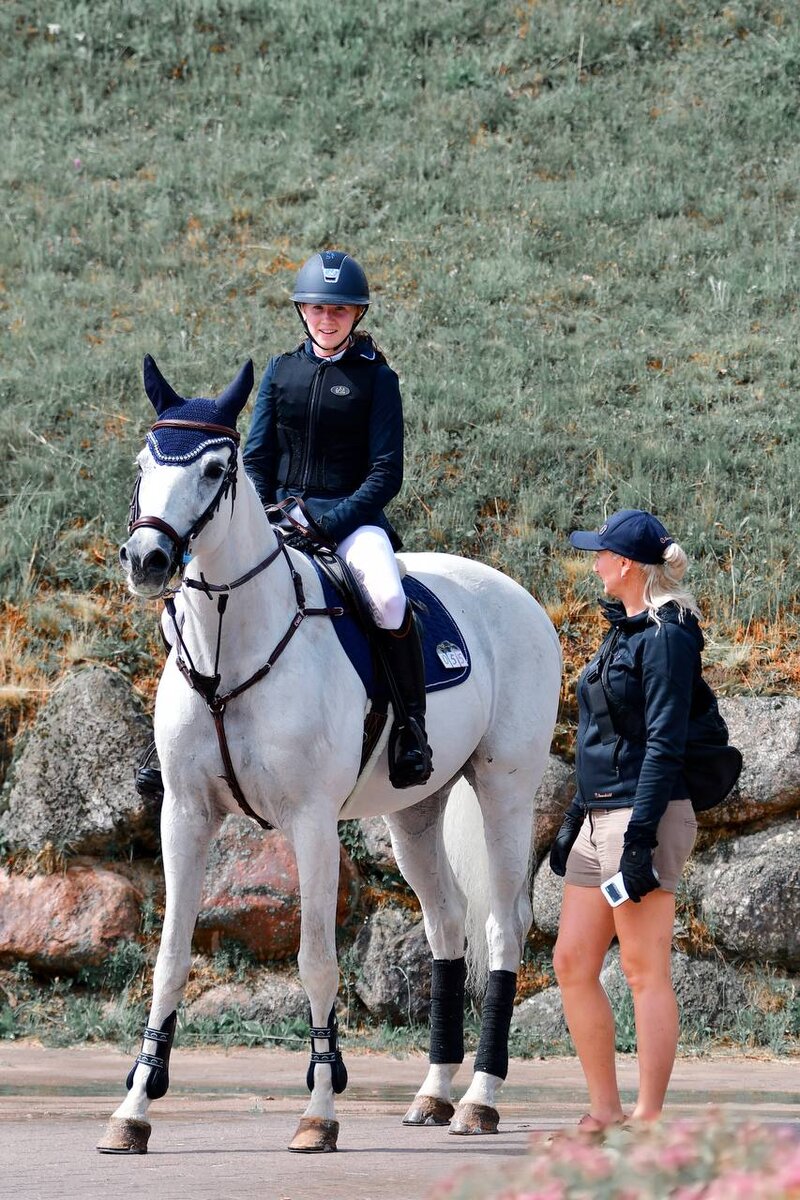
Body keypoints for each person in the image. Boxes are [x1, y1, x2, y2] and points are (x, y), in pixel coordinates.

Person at [242, 249, 432, 789]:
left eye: (341, 311)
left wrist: (330, 523)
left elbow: (385, 473)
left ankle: (411, 729)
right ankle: (166, 746)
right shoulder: (281, 371)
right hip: (277, 515)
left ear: (357, 316)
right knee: (198, 588)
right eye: (319, 309)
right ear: (303, 310)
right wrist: (267, 512)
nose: (328, 320)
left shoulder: (378, 380)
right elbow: (255, 457)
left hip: (350, 521)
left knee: (390, 598)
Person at [549, 508, 702, 1134]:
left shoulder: (669, 635)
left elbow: (664, 743)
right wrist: (573, 819)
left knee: (643, 970)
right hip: (598, 815)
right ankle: (606, 1109)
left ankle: (648, 1116)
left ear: (629, 567)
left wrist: (639, 840)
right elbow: (602, 734)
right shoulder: (623, 629)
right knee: (571, 962)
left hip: (646, 815)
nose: (593, 562)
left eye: (601, 553)